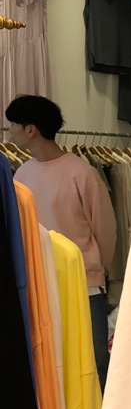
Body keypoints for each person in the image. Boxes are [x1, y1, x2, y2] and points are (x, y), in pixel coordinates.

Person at [5, 94, 116, 392]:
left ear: (31, 129)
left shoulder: (83, 173)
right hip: (41, 285)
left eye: (13, 124)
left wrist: (97, 270)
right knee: (54, 365)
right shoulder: (22, 174)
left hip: (85, 285)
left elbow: (105, 230)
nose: (9, 131)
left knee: (95, 363)